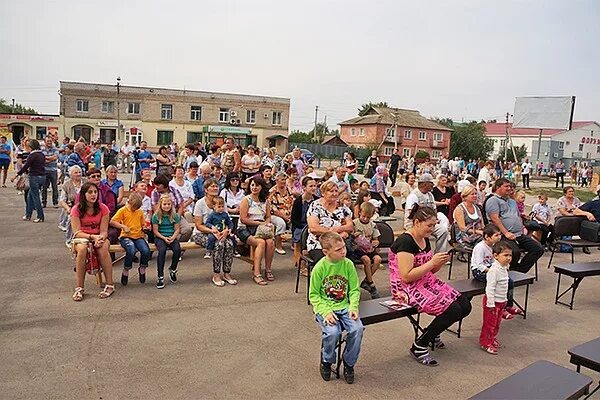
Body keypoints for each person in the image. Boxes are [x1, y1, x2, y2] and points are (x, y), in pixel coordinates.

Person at [389, 206, 472, 366]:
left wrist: (439, 262)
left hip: (425, 281)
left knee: (464, 305)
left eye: (434, 225)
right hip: (406, 289)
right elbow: (406, 276)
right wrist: (432, 263)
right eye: (429, 225)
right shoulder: (405, 241)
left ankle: (432, 333)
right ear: (417, 222)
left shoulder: (424, 238)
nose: (432, 229)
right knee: (452, 309)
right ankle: (419, 345)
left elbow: (431, 270)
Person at [308, 231, 364, 384]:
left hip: (345, 306)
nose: (343, 251)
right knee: (333, 332)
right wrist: (325, 312)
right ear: (326, 252)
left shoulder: (348, 264)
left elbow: (354, 290)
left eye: (344, 247)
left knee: (357, 329)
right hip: (326, 308)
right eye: (338, 250)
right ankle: (327, 361)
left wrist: (353, 307)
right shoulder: (320, 268)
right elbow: (313, 295)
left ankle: (349, 363)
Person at [484, 178, 544, 273]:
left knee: (538, 249)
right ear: (498, 187)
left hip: (518, 234)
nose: (509, 188)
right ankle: (509, 272)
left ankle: (519, 271)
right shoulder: (493, 200)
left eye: (510, 186)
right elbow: (495, 219)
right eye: (506, 186)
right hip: (504, 235)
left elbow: (517, 215)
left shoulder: (512, 201)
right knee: (514, 252)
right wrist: (506, 232)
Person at [70, 181, 115, 301]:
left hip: (99, 236)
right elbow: (76, 232)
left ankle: (110, 285)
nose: (93, 195)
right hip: (82, 237)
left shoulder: (103, 208)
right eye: (90, 192)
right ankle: (79, 288)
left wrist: (100, 238)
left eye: (95, 192)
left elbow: (104, 230)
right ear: (84, 194)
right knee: (83, 249)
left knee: (103, 248)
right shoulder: (76, 209)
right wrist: (92, 237)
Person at [471, 224, 521, 322]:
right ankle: (500, 308)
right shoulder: (480, 247)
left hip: (493, 268)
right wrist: (493, 272)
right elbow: (479, 265)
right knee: (498, 282)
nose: (499, 237)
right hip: (480, 271)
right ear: (487, 237)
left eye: (499, 235)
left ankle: (508, 306)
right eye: (496, 235)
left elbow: (497, 261)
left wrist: (504, 267)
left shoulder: (495, 246)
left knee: (509, 282)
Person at [237, 176, 276, 285]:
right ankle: (257, 273)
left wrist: (266, 223)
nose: (254, 187)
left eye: (257, 185)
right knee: (261, 242)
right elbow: (243, 219)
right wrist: (260, 223)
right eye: (252, 185)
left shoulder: (266, 201)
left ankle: (268, 269)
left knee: (270, 242)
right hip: (245, 229)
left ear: (261, 187)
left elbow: (268, 216)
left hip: (260, 229)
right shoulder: (246, 200)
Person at [306, 181, 354, 262]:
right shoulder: (315, 206)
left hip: (339, 244)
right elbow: (314, 228)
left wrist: (336, 230)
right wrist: (335, 233)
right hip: (319, 244)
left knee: (348, 261)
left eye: (336, 191)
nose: (335, 194)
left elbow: (350, 227)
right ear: (323, 193)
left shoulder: (342, 206)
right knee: (327, 262)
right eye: (331, 191)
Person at [479, 241, 513, 355]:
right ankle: (485, 342)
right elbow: (490, 288)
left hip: (501, 302)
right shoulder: (494, 270)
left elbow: (504, 286)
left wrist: (505, 301)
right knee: (489, 324)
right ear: (496, 256)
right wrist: (491, 304)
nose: (508, 258)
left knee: (497, 323)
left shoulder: (504, 268)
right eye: (505, 255)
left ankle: (492, 338)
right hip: (492, 303)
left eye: (510, 255)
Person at [110, 192, 150, 286]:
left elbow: (142, 224)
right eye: (133, 208)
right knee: (131, 249)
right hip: (126, 236)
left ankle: (142, 267)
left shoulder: (139, 212)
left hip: (138, 235)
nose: (134, 210)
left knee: (145, 250)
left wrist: (145, 227)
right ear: (129, 202)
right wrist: (123, 226)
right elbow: (112, 222)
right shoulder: (123, 210)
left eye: (136, 208)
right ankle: (126, 269)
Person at [404, 173, 449, 254]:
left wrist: (435, 220)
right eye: (431, 183)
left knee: (443, 231)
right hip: (414, 223)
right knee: (423, 231)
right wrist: (424, 222)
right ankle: (421, 254)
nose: (433, 185)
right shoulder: (413, 195)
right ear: (425, 184)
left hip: (429, 223)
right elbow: (411, 213)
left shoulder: (430, 195)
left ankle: (439, 254)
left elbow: (434, 209)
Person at [151, 175, 194, 243]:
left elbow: (181, 206)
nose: (156, 186)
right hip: (161, 216)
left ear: (164, 185)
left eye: (158, 185)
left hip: (175, 214)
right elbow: (155, 208)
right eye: (155, 184)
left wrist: (177, 217)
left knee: (188, 230)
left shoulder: (174, 190)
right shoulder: (155, 192)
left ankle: (177, 245)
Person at [352, 202, 382, 299]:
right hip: (358, 249)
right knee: (367, 260)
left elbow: (376, 239)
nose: (365, 219)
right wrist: (354, 235)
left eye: (368, 217)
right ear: (360, 212)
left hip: (369, 248)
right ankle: (371, 284)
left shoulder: (373, 225)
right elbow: (350, 237)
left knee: (378, 260)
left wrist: (376, 242)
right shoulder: (354, 223)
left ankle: (366, 281)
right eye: (363, 216)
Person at [11, 138, 46, 222]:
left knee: (35, 197)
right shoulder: (41, 154)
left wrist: (15, 175)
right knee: (29, 196)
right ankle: (28, 215)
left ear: (31, 147)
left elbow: (25, 167)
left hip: (34, 177)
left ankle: (40, 216)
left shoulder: (32, 155)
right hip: (42, 177)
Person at [152, 194, 182, 289]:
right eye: (164, 204)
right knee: (162, 251)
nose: (167, 206)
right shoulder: (156, 216)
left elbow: (177, 229)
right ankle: (160, 276)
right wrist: (164, 238)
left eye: (168, 204)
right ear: (160, 204)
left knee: (177, 250)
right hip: (160, 237)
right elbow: (155, 231)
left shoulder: (175, 215)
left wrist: (173, 237)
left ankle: (173, 269)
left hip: (171, 236)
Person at [291, 175, 318, 274]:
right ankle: (302, 265)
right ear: (304, 187)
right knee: (301, 238)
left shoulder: (316, 200)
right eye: (311, 186)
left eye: (315, 186)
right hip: (300, 225)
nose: (313, 188)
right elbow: (294, 219)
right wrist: (304, 227)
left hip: (313, 225)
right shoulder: (298, 201)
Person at [204, 196, 238, 267]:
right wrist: (212, 227)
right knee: (211, 238)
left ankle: (234, 250)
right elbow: (207, 223)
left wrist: (230, 229)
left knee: (233, 238)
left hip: (224, 231)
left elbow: (230, 223)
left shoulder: (225, 214)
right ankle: (209, 251)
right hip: (216, 232)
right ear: (214, 206)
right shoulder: (212, 215)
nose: (221, 208)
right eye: (219, 206)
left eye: (222, 206)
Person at [269, 171, 293, 255]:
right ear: (276, 180)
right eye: (282, 179)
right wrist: (285, 217)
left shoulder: (288, 190)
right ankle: (278, 246)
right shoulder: (272, 191)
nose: (283, 181)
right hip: (274, 215)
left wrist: (290, 215)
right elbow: (273, 209)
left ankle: (295, 243)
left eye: (285, 179)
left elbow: (291, 203)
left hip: (288, 214)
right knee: (281, 223)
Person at [58, 165, 85, 235]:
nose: (78, 174)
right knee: (71, 218)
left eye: (80, 172)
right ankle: (69, 239)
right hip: (72, 207)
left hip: (86, 207)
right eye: (76, 173)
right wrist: (68, 209)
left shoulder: (86, 182)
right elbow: (62, 200)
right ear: (71, 175)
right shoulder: (66, 185)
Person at [41, 136, 60, 208]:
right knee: (44, 187)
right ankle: (44, 202)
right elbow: (41, 158)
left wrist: (45, 158)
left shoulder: (55, 149)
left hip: (53, 170)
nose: (49, 142)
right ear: (45, 142)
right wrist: (50, 158)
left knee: (54, 187)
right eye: (47, 141)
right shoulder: (41, 149)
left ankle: (55, 202)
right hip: (44, 171)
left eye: (50, 141)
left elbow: (55, 157)